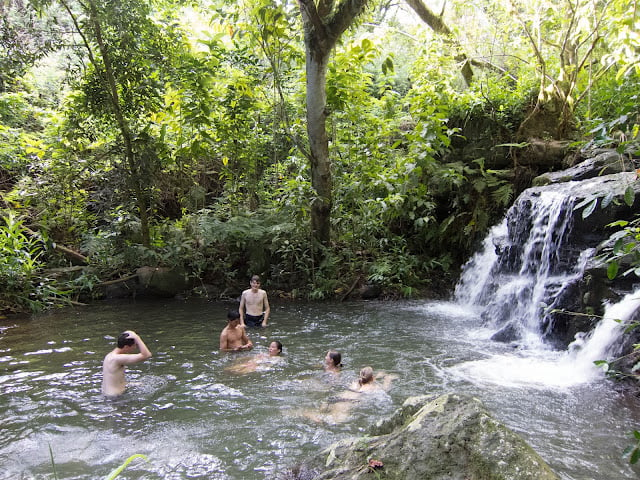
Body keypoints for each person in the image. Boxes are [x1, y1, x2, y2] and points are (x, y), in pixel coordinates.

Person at [101, 330, 152, 397]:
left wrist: (132, 384)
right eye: (135, 345)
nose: (135, 347)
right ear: (126, 347)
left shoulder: (110, 356)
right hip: (116, 397)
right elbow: (147, 355)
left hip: (108, 394)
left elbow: (115, 379)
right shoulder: (117, 358)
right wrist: (137, 338)